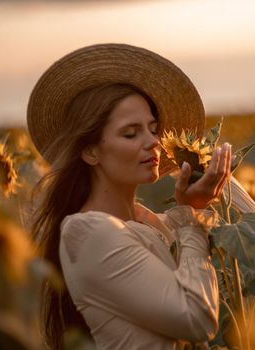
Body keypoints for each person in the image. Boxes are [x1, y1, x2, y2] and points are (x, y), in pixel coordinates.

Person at [27, 44, 233, 350]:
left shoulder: (149, 222)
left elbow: (251, 228)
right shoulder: (88, 233)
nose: (153, 142)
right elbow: (198, 318)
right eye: (130, 133)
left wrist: (205, 170)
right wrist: (191, 217)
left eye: (153, 129)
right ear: (90, 151)